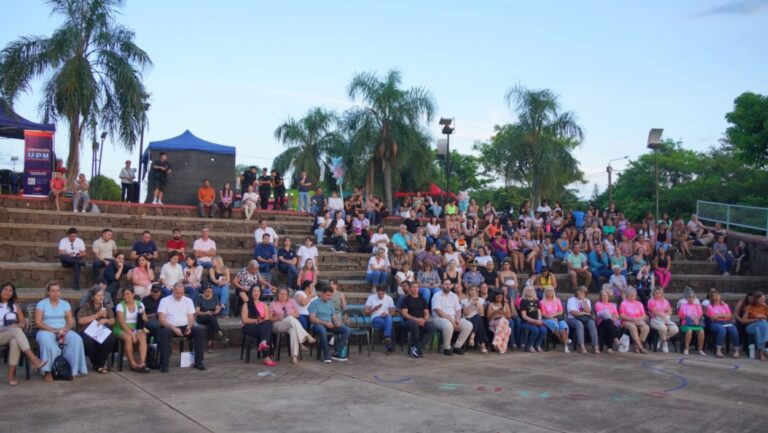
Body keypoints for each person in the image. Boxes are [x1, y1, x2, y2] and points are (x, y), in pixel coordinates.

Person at [35, 282, 88, 381]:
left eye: (58, 291)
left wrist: (64, 330)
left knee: (77, 339)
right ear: (48, 292)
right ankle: (48, 371)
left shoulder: (65, 304)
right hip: (46, 330)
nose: (56, 293)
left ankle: (72, 370)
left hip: (63, 330)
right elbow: (38, 322)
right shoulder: (41, 304)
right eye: (53, 291)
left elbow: (70, 322)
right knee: (47, 342)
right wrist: (53, 330)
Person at [0, 283, 47, 385]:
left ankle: (10, 375)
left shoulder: (14, 306)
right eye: (5, 289)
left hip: (11, 334)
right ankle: (33, 359)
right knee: (16, 331)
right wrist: (9, 328)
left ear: (13, 294)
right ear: (0, 291)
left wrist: (18, 325)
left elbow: (22, 322)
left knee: (15, 341)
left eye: (10, 291)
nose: (7, 292)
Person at [157, 282, 206, 372]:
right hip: (170, 327)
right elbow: (162, 320)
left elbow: (191, 317)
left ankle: (199, 362)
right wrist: (173, 328)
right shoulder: (164, 301)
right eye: (177, 293)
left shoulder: (188, 300)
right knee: (164, 333)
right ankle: (164, 364)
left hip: (185, 326)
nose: (179, 295)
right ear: (173, 291)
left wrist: (189, 326)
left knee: (199, 331)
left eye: (181, 293)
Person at [76, 287, 117, 373]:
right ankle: (99, 364)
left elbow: (113, 321)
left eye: (102, 295)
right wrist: (97, 315)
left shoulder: (106, 307)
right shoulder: (86, 307)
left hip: (101, 331)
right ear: (93, 297)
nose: (101, 297)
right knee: (89, 342)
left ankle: (99, 363)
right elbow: (80, 321)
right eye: (99, 295)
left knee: (110, 338)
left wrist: (106, 320)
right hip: (87, 331)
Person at [270, 287, 315, 364]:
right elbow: (270, 319)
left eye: (285, 294)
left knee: (293, 330)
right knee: (290, 318)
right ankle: (306, 335)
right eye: (281, 294)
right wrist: (279, 317)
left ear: (287, 295)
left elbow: (297, 314)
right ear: (277, 294)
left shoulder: (291, 301)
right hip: (277, 324)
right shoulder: (273, 304)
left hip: (290, 323)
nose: (283, 296)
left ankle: (294, 356)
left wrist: (289, 315)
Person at [309, 284, 350, 362]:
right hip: (317, 325)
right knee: (322, 330)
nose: (330, 297)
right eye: (328, 295)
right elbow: (312, 318)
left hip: (329, 324)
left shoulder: (330, 303)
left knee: (346, 330)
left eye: (331, 295)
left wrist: (336, 322)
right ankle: (327, 355)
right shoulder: (314, 303)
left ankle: (337, 352)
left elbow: (333, 317)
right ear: (322, 293)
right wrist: (325, 323)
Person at [431, 280, 472, 356]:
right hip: (438, 318)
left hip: (453, 318)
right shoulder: (437, 295)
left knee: (468, 325)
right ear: (442, 285)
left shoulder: (454, 296)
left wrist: (457, 320)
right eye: (445, 284)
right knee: (448, 326)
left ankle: (457, 346)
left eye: (449, 284)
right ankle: (446, 348)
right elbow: (439, 312)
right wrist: (452, 321)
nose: (447, 286)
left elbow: (458, 310)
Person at [114, 286, 150, 373]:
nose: (126, 296)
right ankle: (132, 363)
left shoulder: (140, 304)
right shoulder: (120, 306)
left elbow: (145, 320)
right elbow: (122, 323)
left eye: (128, 294)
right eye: (124, 294)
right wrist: (132, 334)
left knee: (143, 335)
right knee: (128, 338)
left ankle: (142, 363)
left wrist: (145, 318)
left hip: (136, 327)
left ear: (133, 294)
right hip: (122, 328)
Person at [400, 281, 435, 358]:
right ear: (410, 288)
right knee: (414, 324)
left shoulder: (422, 299)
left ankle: (416, 348)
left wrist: (424, 320)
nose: (415, 289)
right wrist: (416, 320)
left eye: (416, 287)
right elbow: (404, 314)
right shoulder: (406, 299)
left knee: (431, 327)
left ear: (419, 288)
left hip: (421, 321)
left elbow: (427, 313)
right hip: (409, 322)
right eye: (413, 287)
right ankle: (413, 347)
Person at [195, 285, 231, 353]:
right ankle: (221, 334)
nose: (209, 293)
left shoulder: (215, 297)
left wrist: (217, 311)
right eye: (207, 292)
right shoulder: (199, 298)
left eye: (211, 292)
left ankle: (210, 344)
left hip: (211, 316)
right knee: (212, 317)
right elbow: (197, 312)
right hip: (201, 317)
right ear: (204, 291)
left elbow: (217, 308)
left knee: (211, 323)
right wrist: (206, 313)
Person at [705, 289, 741, 358]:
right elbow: (713, 317)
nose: (716, 297)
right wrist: (724, 315)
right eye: (714, 296)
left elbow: (730, 315)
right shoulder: (709, 306)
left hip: (727, 322)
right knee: (722, 330)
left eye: (717, 295)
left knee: (734, 331)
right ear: (711, 298)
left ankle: (736, 351)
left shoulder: (725, 305)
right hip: (715, 323)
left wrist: (719, 315)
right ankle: (718, 351)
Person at [566, 286, 599, 354]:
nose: (582, 293)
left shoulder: (587, 300)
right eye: (580, 291)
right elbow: (573, 312)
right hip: (572, 318)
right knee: (579, 324)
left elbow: (588, 311)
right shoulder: (571, 300)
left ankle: (595, 345)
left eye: (584, 292)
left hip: (584, 318)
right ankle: (581, 346)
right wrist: (584, 313)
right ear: (577, 291)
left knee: (591, 323)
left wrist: (584, 301)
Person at [365, 285, 397, 353]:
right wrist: (374, 309)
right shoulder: (371, 298)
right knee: (389, 326)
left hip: (386, 318)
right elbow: (366, 312)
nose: (381, 296)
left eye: (383, 294)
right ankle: (389, 344)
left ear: (385, 292)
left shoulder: (389, 298)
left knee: (389, 318)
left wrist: (387, 314)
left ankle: (387, 339)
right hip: (375, 318)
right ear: (376, 292)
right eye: (379, 294)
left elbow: (393, 312)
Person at [647, 287, 679, 353]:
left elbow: (670, 311)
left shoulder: (665, 301)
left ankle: (661, 339)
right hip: (655, 319)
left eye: (659, 293)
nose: (658, 294)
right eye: (656, 293)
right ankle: (664, 343)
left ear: (662, 293)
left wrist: (666, 314)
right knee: (663, 328)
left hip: (665, 319)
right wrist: (662, 315)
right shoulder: (651, 301)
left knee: (675, 329)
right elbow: (654, 311)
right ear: (653, 293)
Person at [619, 287, 649, 353]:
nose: (632, 296)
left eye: (634, 294)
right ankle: (641, 347)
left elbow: (644, 316)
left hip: (638, 320)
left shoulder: (639, 303)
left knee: (646, 327)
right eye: (631, 294)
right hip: (626, 321)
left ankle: (636, 346)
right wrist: (631, 319)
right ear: (627, 295)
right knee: (633, 327)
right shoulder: (624, 303)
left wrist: (638, 319)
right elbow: (622, 315)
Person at [540, 287, 570, 352]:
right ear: (545, 292)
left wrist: (553, 316)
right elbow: (544, 314)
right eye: (548, 291)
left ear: (554, 292)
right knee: (554, 324)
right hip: (547, 319)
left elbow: (561, 311)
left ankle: (565, 347)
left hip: (557, 318)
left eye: (551, 291)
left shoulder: (557, 300)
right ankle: (563, 341)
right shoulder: (542, 302)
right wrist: (551, 318)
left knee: (564, 326)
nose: (550, 292)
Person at [461, 285, 489, 353]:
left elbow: (482, 313)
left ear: (477, 291)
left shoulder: (481, 300)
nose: (473, 291)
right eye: (471, 290)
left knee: (478, 317)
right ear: (468, 291)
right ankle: (482, 346)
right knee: (479, 321)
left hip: (478, 318)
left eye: (474, 290)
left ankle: (472, 338)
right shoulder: (464, 301)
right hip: (467, 319)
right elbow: (466, 314)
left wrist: (477, 304)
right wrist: (471, 304)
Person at [678, 287, 706, 356]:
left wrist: (696, 319)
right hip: (686, 323)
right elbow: (681, 316)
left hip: (696, 323)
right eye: (690, 297)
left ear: (695, 298)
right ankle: (686, 349)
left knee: (701, 331)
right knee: (689, 331)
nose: (691, 298)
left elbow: (700, 314)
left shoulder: (698, 305)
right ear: (687, 298)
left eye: (693, 297)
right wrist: (691, 318)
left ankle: (700, 349)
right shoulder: (683, 305)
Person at [742, 291, 768, 361]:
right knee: (763, 324)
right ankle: (764, 349)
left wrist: (763, 317)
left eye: (764, 299)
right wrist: (757, 319)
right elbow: (743, 321)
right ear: (756, 299)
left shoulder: (765, 307)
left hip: (762, 327)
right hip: (750, 327)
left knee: (760, 328)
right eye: (762, 299)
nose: (763, 300)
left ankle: (761, 353)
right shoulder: (749, 307)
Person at [595, 288, 621, 353]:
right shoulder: (598, 304)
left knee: (609, 325)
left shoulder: (612, 305)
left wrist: (612, 316)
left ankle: (610, 347)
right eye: (603, 296)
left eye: (606, 296)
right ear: (601, 297)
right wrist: (611, 315)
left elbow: (617, 315)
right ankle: (614, 341)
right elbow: (600, 313)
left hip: (612, 322)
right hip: (601, 322)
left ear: (608, 297)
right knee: (608, 321)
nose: (605, 297)